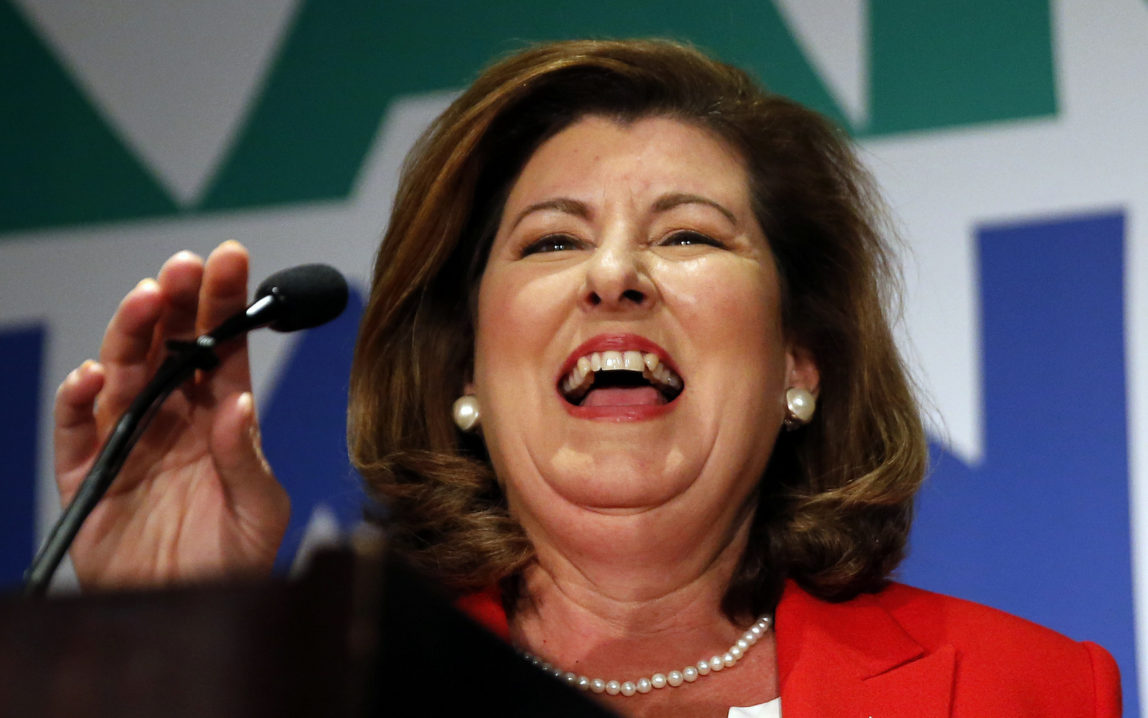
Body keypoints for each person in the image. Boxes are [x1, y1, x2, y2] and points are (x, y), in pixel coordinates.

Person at [53, 39, 1120, 716]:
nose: (613, 274)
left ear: (799, 361)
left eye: (690, 234)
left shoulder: (1021, 690)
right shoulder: (323, 692)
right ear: (465, 369)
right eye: (550, 243)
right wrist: (178, 644)